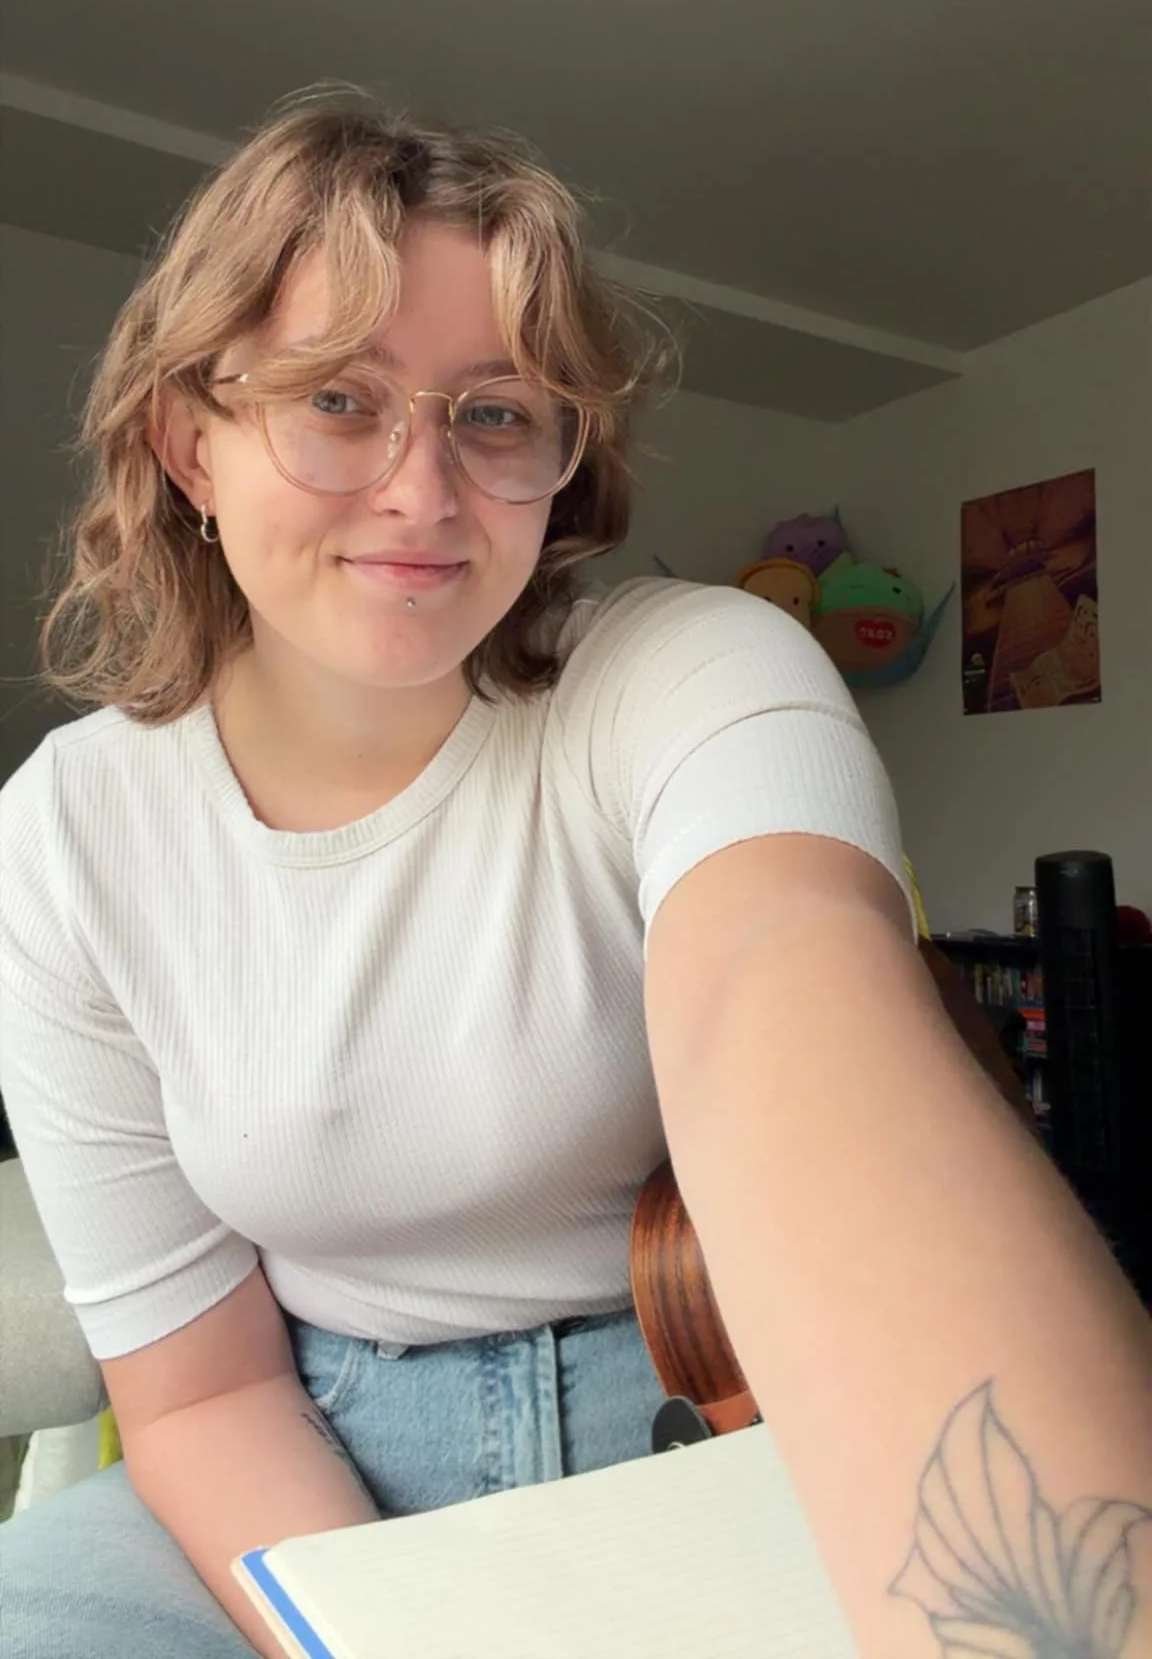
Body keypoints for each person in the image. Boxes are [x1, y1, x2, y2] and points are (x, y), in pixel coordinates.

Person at [1, 99, 1149, 1659]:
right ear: (188, 442)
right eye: (338, 398)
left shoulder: (698, 671)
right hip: (301, 1445)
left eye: (493, 413)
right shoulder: (66, 835)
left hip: (708, 1384)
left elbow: (791, 988)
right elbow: (201, 1389)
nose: (422, 491)